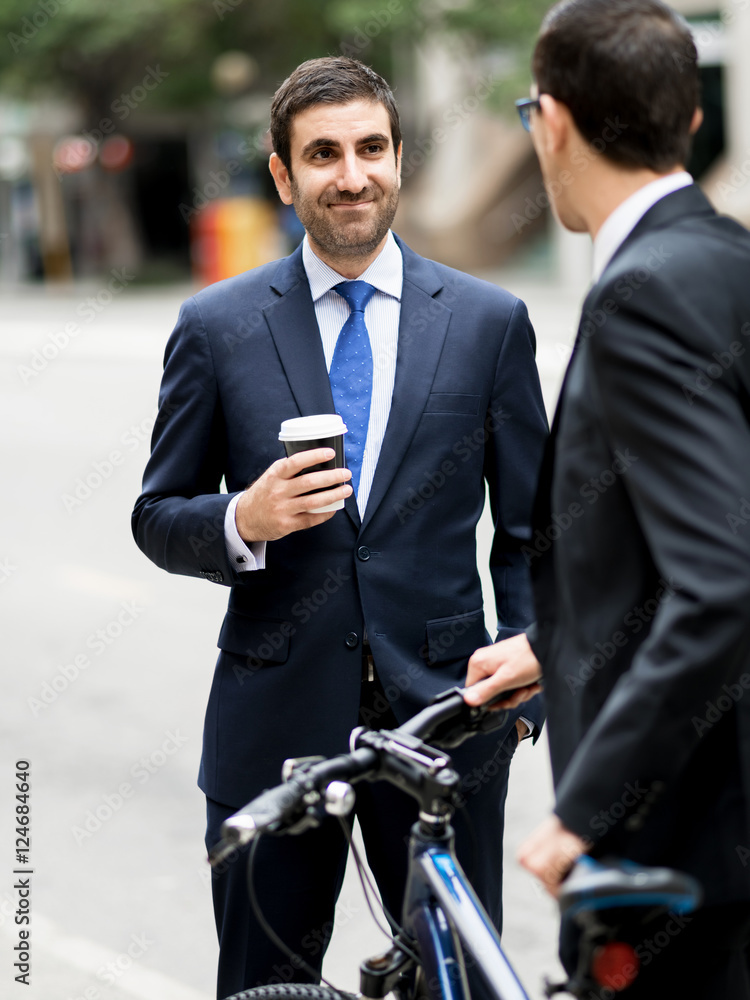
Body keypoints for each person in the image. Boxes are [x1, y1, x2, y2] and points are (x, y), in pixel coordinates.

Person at [132, 56, 548, 999]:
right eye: (323, 154)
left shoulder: (489, 323)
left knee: (458, 987)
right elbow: (156, 516)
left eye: (370, 149)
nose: (350, 175)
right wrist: (243, 517)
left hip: (446, 724)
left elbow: (536, 530)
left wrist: (528, 665)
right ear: (283, 176)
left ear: (399, 159)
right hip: (271, 733)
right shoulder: (216, 326)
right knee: (263, 985)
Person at [464, 0, 750, 994]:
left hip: (676, 851)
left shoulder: (641, 295)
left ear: (552, 120)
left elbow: (721, 578)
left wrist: (583, 807)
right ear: (693, 123)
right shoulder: (728, 263)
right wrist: (561, 643)